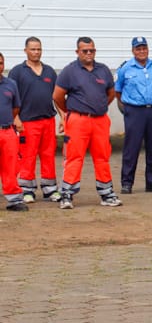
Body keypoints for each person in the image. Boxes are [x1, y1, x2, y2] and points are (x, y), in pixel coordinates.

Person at [52, 36, 122, 209]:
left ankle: (107, 194)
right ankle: (67, 195)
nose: (89, 53)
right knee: (74, 157)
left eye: (92, 50)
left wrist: (99, 107)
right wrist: (68, 112)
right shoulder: (69, 71)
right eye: (85, 51)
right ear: (77, 52)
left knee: (102, 157)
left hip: (99, 121)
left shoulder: (103, 70)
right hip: (77, 120)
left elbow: (111, 93)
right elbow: (57, 96)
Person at [9, 37, 60, 203]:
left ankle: (50, 190)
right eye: (32, 49)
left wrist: (63, 116)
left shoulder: (49, 71)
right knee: (27, 156)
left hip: (48, 120)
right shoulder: (17, 72)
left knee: (48, 155)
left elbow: (56, 96)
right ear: (25, 50)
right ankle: (26, 190)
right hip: (27, 122)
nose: (36, 52)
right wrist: (15, 118)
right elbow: (11, 97)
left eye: (38, 49)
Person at [115, 36, 152, 194]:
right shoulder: (125, 68)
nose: (142, 51)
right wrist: (129, 106)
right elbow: (118, 90)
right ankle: (127, 182)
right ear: (133, 51)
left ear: (148, 49)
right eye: (138, 48)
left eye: (144, 48)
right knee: (132, 147)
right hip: (135, 111)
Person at [0, 52, 27, 211]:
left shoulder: (11, 84)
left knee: (11, 166)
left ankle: (14, 200)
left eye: (1, 63)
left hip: (7, 131)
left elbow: (16, 107)